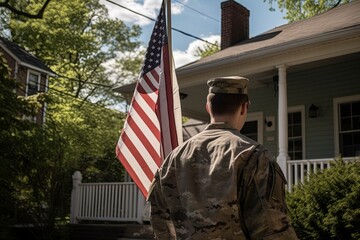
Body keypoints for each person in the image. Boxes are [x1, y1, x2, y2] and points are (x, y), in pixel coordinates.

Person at [147, 76, 298, 239]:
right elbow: (272, 230)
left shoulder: (172, 159)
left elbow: (160, 221)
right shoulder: (254, 156)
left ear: (208, 107)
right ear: (244, 108)